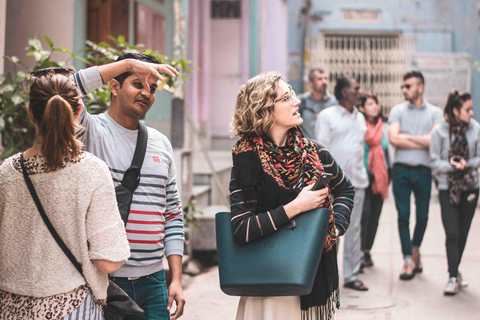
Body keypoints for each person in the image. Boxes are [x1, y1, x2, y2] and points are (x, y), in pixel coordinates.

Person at [0, 70, 131, 319]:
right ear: (79, 111)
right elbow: (107, 261)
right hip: (71, 306)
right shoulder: (91, 171)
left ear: (30, 114)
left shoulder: (7, 172)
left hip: (10, 308)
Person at [229, 73, 355, 320]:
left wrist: (336, 228)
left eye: (293, 95)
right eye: (286, 97)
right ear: (265, 109)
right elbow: (241, 228)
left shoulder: (315, 153)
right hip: (266, 283)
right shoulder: (247, 158)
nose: (297, 102)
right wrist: (295, 207)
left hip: (309, 276)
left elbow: (345, 190)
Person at [73, 54, 185, 319]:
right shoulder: (91, 130)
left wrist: (176, 280)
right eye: (137, 83)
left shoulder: (162, 144)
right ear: (114, 87)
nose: (147, 93)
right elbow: (61, 89)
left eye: (153, 88)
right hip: (106, 281)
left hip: (155, 282)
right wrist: (127, 65)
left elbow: (173, 214)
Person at [315, 76, 369, 291]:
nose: (359, 91)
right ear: (344, 92)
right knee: (330, 230)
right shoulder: (327, 116)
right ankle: (328, 277)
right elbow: (320, 150)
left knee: (354, 230)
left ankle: (351, 275)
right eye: (356, 88)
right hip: (334, 184)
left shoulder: (360, 117)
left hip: (357, 182)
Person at [388, 71, 443, 280]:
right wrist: (423, 139)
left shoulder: (435, 113)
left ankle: (416, 247)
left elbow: (434, 142)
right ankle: (407, 259)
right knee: (403, 215)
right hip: (401, 169)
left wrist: (407, 137)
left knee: (423, 215)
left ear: (420, 87)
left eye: (408, 86)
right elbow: (394, 138)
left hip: (423, 170)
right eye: (403, 86)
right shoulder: (397, 110)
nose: (404, 90)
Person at [430, 90, 479, 295]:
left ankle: (455, 271)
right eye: (467, 109)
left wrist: (468, 164)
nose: (471, 112)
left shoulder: (475, 128)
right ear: (456, 110)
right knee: (452, 232)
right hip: (447, 188)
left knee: (463, 234)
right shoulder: (439, 131)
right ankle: (452, 276)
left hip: (470, 187)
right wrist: (451, 166)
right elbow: (433, 162)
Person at [357, 94, 391, 268]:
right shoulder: (358, 125)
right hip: (363, 176)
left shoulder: (384, 126)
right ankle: (359, 251)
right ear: (362, 108)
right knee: (364, 215)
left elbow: (388, 151)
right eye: (370, 104)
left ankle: (367, 250)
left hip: (381, 177)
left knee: (375, 216)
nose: (375, 107)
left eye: (376, 103)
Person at [298, 68, 337, 139]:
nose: (324, 82)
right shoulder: (301, 101)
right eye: (320, 79)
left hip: (327, 147)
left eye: (326, 78)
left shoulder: (334, 102)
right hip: (307, 147)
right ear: (311, 83)